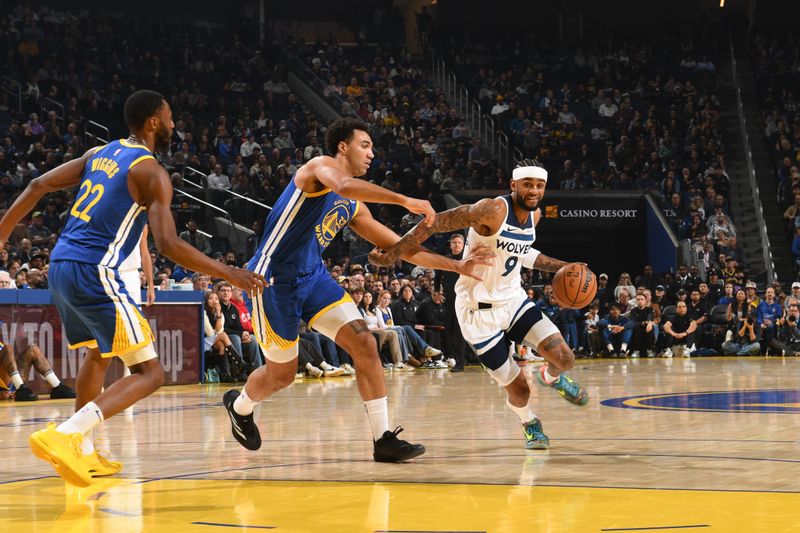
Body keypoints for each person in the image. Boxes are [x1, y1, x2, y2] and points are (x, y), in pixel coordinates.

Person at [0, 90, 265, 487]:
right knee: (151, 372)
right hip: (96, 270)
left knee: (98, 354)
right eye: (170, 116)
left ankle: (85, 452)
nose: (175, 124)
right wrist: (228, 272)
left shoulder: (98, 154)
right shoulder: (151, 172)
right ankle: (66, 434)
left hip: (61, 265)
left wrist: (1, 235)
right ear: (153, 122)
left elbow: (38, 184)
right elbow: (170, 245)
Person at [223, 117, 491, 463]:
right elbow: (345, 186)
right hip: (272, 281)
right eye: (365, 145)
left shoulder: (352, 207)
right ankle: (240, 406)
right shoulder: (317, 168)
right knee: (282, 374)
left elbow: (402, 247)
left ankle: (383, 439)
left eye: (373, 148)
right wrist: (404, 200)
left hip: (313, 277)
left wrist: (457, 266)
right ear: (342, 147)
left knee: (364, 341)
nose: (372, 154)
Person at [370, 159, 589, 450]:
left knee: (565, 358)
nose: (534, 190)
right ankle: (529, 423)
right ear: (514, 185)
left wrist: (566, 267)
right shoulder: (492, 209)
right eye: (528, 184)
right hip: (477, 312)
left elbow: (524, 253)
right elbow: (434, 223)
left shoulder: (534, 217)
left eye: (539, 185)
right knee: (520, 390)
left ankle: (551, 377)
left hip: (513, 301)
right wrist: (390, 256)